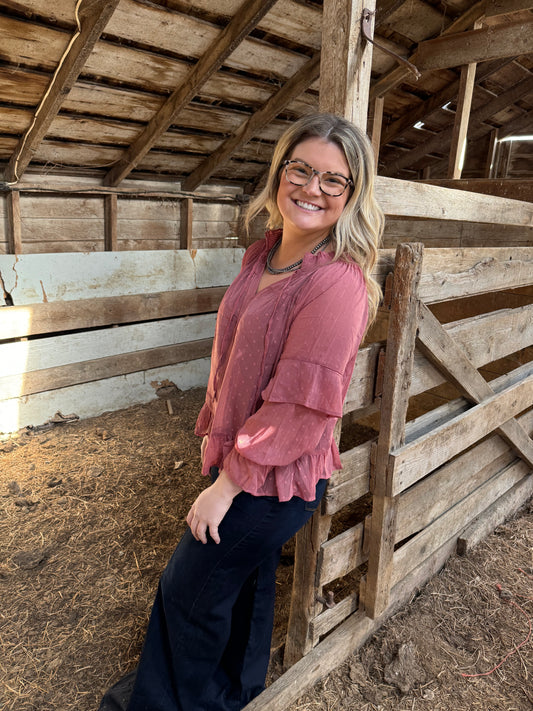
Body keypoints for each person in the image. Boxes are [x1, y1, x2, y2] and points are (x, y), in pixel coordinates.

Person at [98, 112, 383, 711]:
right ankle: (234, 693)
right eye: (301, 170)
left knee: (188, 591)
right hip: (244, 458)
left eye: (334, 180)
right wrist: (219, 443)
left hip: (272, 475)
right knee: (245, 586)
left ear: (353, 195)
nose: (312, 188)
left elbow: (298, 407)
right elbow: (233, 357)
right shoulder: (264, 255)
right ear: (279, 173)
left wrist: (227, 485)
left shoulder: (336, 282)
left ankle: (166, 704)